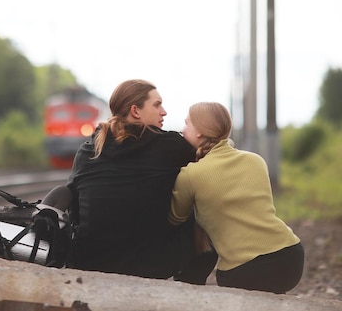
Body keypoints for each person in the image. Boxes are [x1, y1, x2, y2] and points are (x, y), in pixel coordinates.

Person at [39, 79, 217, 282]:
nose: (164, 112)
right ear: (135, 111)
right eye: (157, 105)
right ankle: (187, 292)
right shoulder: (172, 147)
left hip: (89, 261)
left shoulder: (88, 150)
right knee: (202, 209)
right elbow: (210, 170)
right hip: (152, 266)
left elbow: (76, 211)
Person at [168, 101, 304, 294]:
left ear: (199, 131)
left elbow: (176, 218)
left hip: (243, 270)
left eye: (187, 123)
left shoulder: (190, 175)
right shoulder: (255, 160)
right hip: (290, 257)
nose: (182, 129)